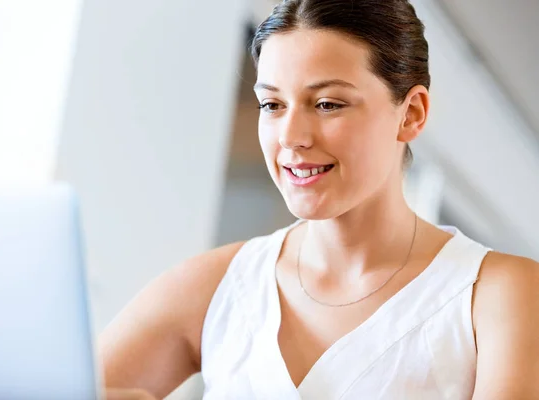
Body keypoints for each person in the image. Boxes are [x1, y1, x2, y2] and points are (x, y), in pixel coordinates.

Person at [100, 0, 539, 398]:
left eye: (327, 104)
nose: (291, 137)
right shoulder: (217, 285)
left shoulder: (500, 295)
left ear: (411, 113)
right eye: (272, 105)